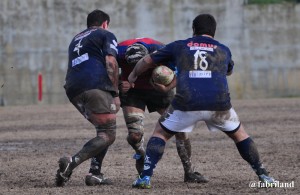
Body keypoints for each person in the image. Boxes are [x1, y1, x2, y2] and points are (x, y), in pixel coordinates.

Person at [128, 14, 276, 189]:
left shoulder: (179, 45)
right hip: (219, 103)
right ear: (214, 31)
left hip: (186, 102)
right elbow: (228, 71)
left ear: (193, 30)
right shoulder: (224, 49)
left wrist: (133, 75)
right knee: (240, 135)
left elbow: (146, 60)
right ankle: (263, 175)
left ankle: (145, 178)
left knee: (160, 133)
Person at [116, 38, 208, 183]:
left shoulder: (162, 50)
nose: (137, 71)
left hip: (159, 90)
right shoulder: (118, 50)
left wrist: (167, 88)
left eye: (140, 66)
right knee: (134, 136)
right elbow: (107, 71)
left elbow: (182, 71)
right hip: (133, 92)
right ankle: (141, 153)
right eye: (131, 66)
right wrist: (119, 83)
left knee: (181, 129)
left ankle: (189, 172)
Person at [55, 9, 120, 187]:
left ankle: (95, 174)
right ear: (105, 23)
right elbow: (111, 62)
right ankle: (72, 162)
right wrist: (115, 93)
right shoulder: (105, 34)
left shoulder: (76, 39)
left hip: (73, 88)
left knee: (103, 131)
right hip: (95, 85)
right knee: (108, 133)